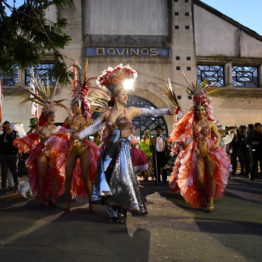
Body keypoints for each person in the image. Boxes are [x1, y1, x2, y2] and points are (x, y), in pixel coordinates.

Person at [76, 64, 175, 223]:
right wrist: (79, 135)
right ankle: (112, 210)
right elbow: (93, 127)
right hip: (108, 151)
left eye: (126, 94)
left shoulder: (131, 111)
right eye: (123, 94)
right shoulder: (107, 113)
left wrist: (166, 111)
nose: (126, 97)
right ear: (115, 96)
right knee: (108, 180)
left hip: (123, 151)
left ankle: (122, 210)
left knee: (122, 180)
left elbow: (151, 112)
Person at [169, 81, 230, 212]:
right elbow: (186, 134)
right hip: (196, 149)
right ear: (195, 111)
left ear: (205, 110)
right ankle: (205, 195)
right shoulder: (192, 123)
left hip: (210, 149)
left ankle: (211, 201)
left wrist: (217, 143)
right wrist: (184, 142)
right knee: (200, 177)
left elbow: (218, 136)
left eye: (202, 109)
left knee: (211, 175)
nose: (200, 111)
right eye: (198, 110)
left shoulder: (211, 123)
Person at [14, 77, 67, 205]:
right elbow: (29, 137)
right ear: (46, 116)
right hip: (42, 153)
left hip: (54, 155)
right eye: (51, 116)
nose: (53, 118)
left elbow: (65, 137)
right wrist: (20, 136)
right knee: (42, 176)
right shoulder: (40, 129)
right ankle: (43, 198)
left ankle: (53, 198)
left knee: (56, 176)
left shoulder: (57, 128)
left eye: (53, 116)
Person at [0, 121, 19, 192]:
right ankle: (3, 187)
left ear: (10, 127)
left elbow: (17, 145)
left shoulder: (15, 134)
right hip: (3, 156)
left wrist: (17, 153)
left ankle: (16, 185)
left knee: (14, 171)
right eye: (4, 128)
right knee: (4, 172)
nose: (6, 129)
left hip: (12, 155)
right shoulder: (2, 136)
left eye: (7, 127)